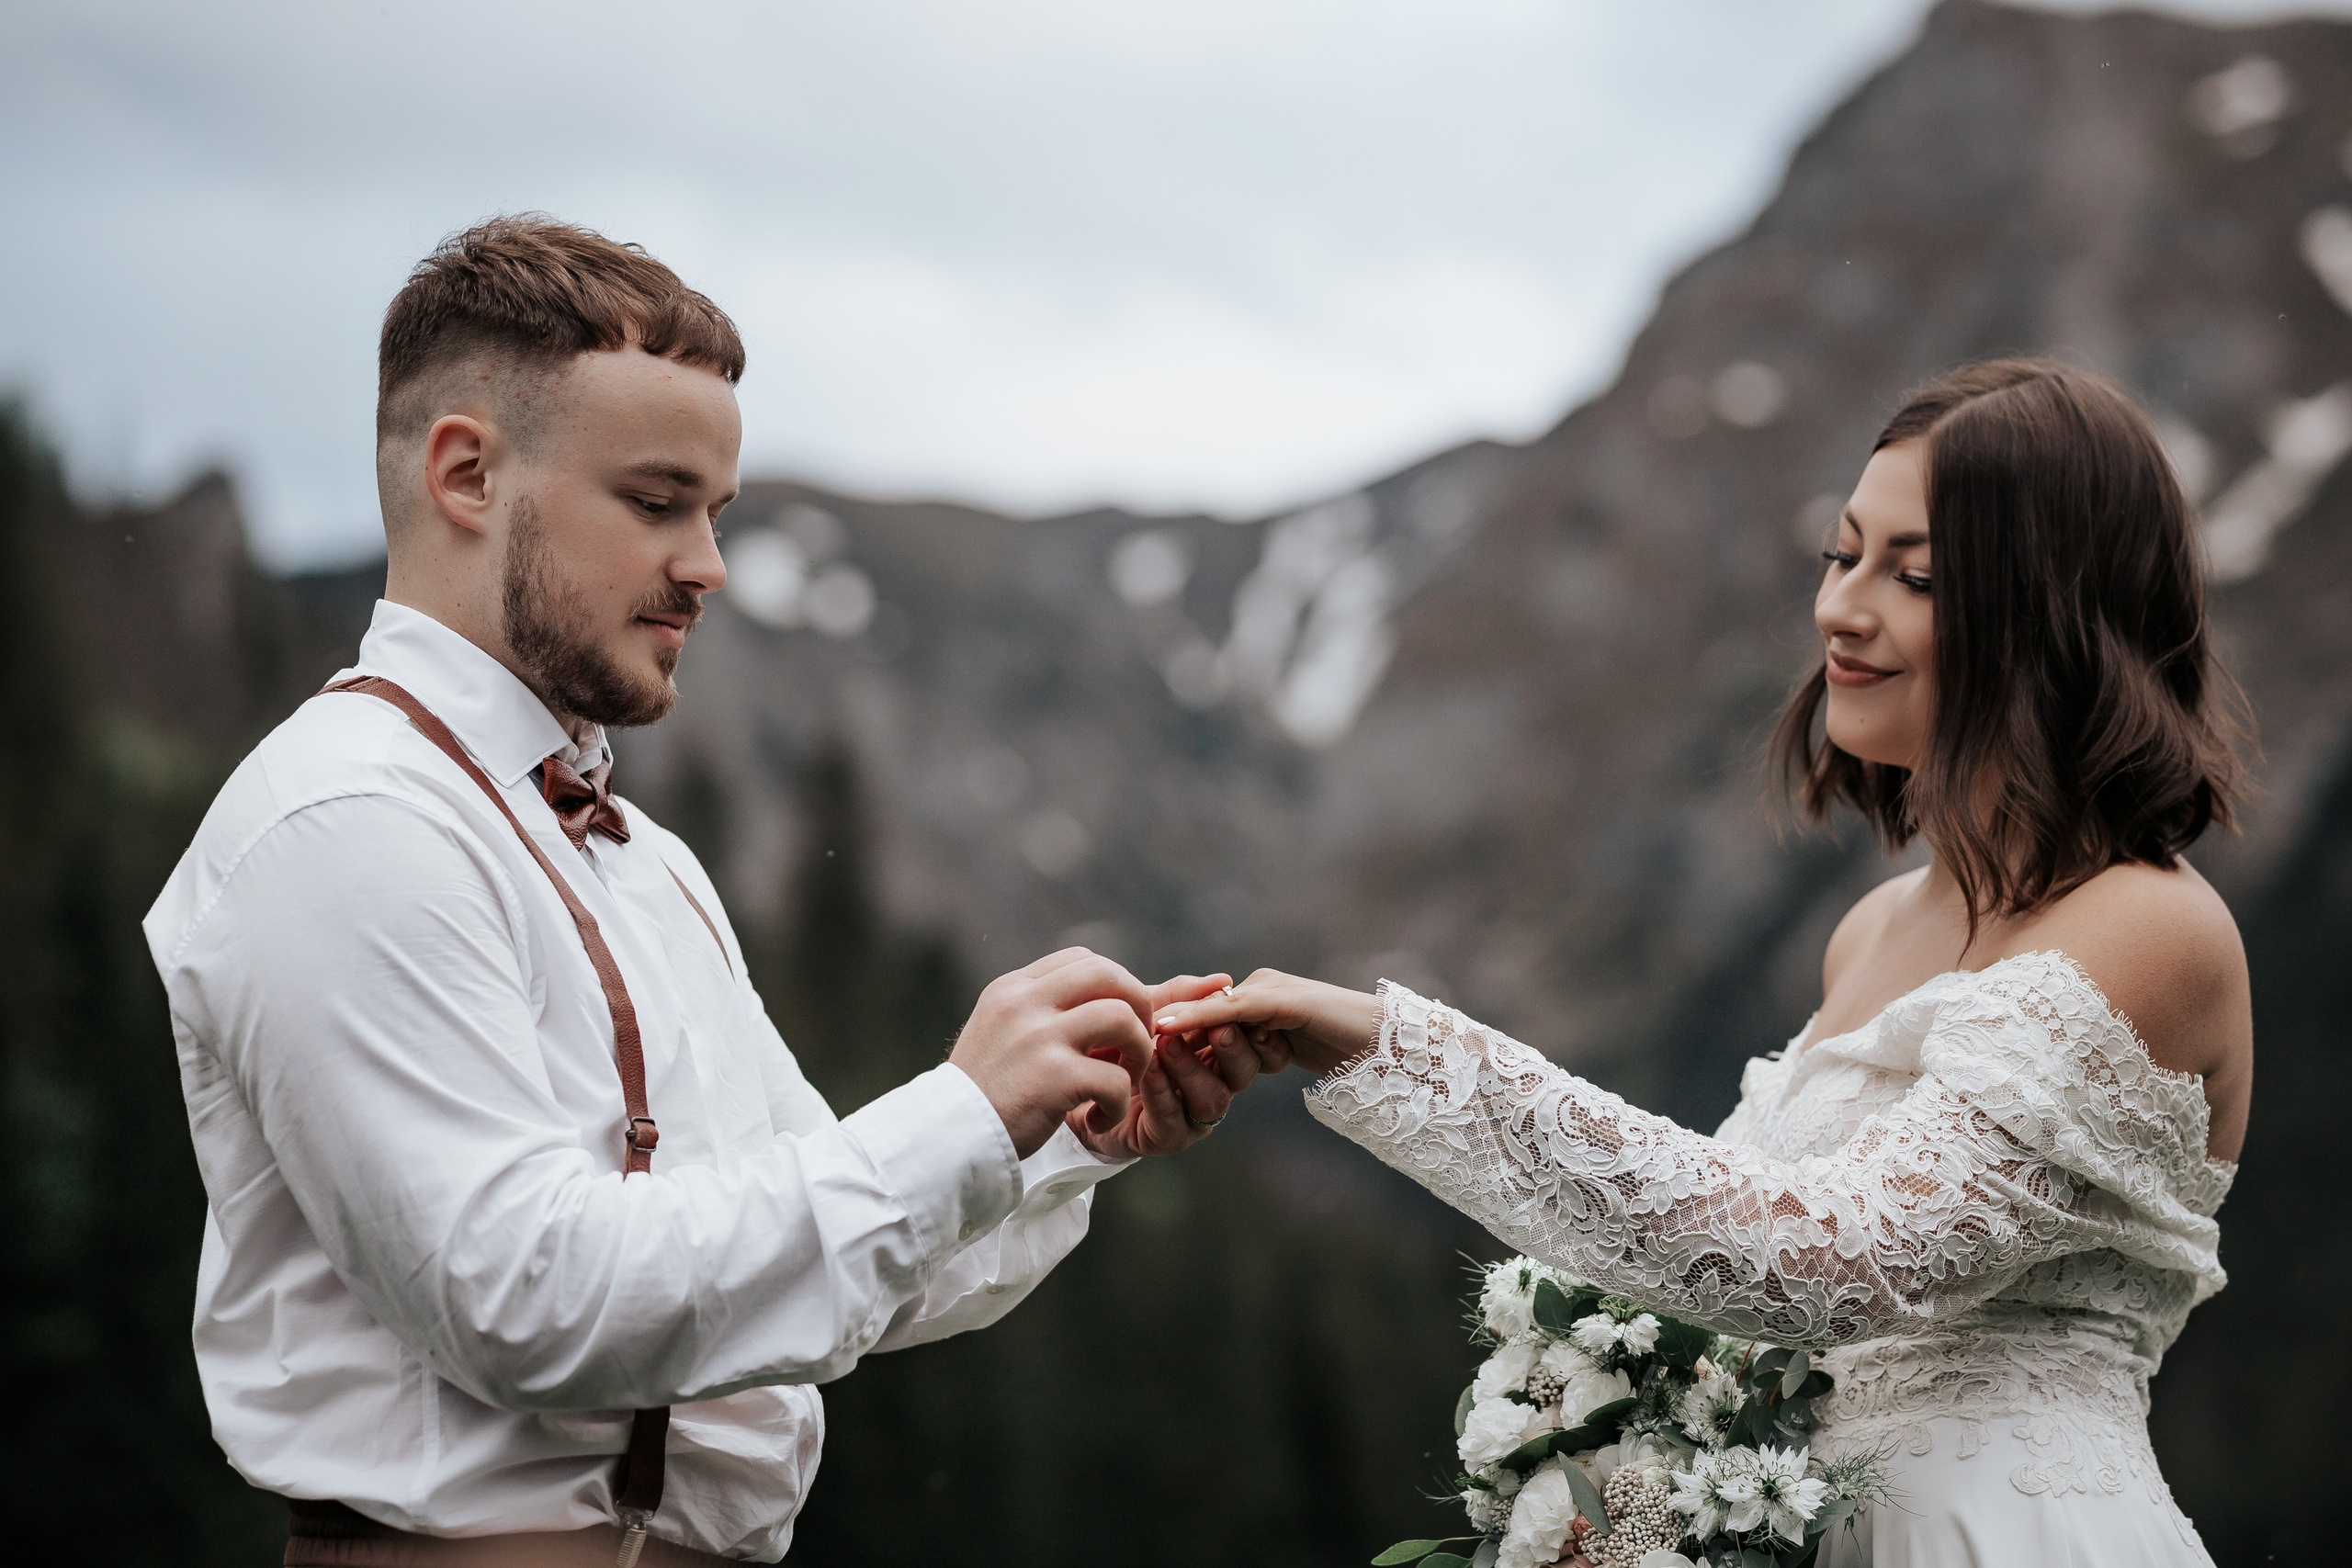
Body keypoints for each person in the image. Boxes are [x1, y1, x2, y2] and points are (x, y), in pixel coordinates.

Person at [144, 216, 1260, 1565]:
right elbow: (525, 1299)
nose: (707, 568)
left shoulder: (645, 863)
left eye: (714, 514)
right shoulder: (346, 824)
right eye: (657, 501)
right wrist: (962, 1110)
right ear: (465, 473)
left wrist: (1061, 1138)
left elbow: (815, 1273)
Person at [1156, 360, 2250, 1566]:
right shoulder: (1875, 929)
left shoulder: (2150, 927)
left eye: (1918, 575)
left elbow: (1833, 1262)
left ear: (2056, 614)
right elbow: (1744, 1336)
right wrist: (1619, 1531)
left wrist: (1393, 1047)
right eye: (1844, 556)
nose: (1843, 607)